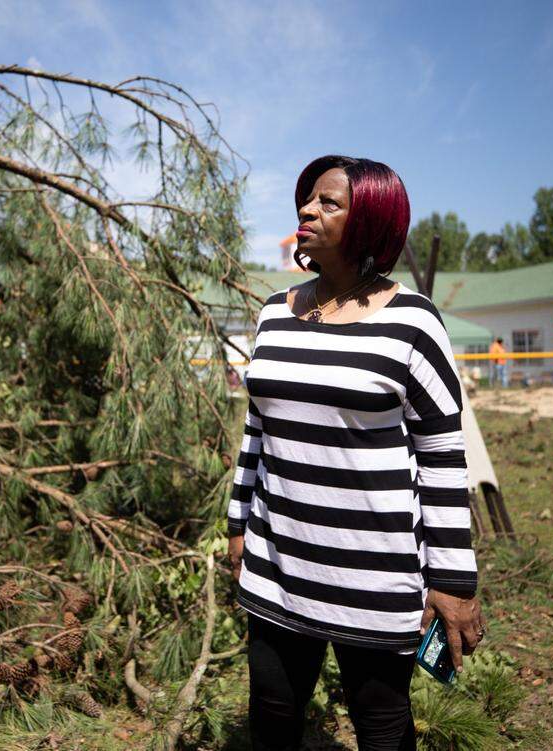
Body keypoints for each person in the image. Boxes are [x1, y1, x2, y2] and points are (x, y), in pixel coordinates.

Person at [227, 155, 486, 751]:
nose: (306, 210)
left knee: (382, 729)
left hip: (374, 576)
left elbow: (443, 455)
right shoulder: (275, 312)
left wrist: (453, 580)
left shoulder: (413, 323)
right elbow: (256, 431)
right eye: (307, 199)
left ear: (369, 220)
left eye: (327, 203)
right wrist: (238, 523)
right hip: (277, 564)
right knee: (270, 720)